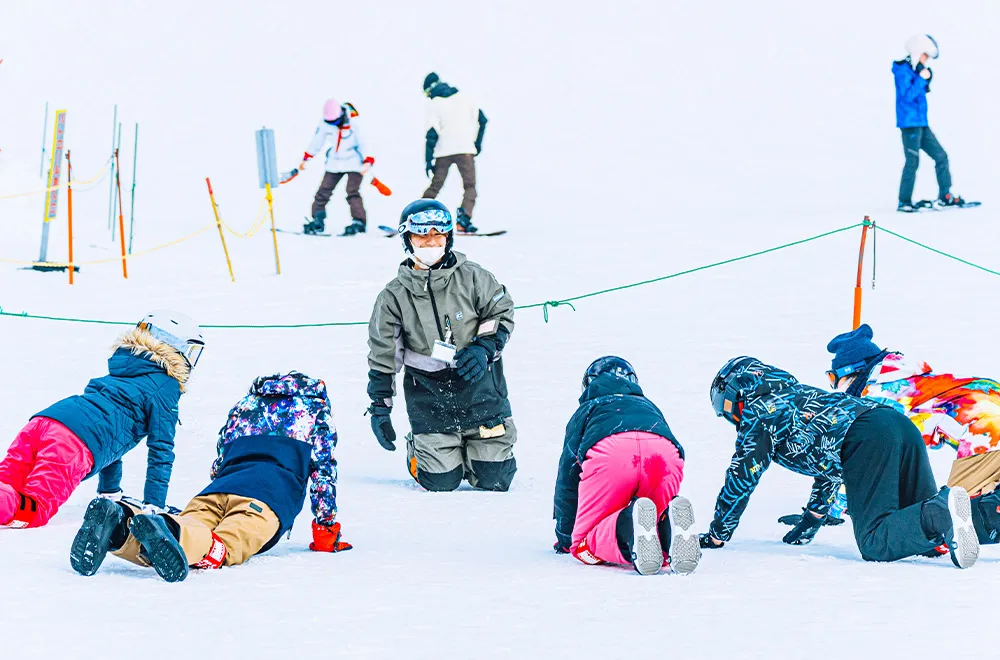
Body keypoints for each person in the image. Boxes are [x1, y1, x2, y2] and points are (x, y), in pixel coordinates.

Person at [70, 371, 350, 583]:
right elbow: (323, 472)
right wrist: (325, 529)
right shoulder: (313, 411)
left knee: (189, 527)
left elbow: (221, 456)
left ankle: (121, 527)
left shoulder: (247, 404)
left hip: (216, 491)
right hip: (267, 499)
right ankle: (169, 532)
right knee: (221, 546)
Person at [701, 356, 979, 568]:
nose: (735, 421)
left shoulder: (759, 413)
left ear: (737, 394)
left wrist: (717, 534)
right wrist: (812, 519)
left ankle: (944, 509)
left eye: (729, 412)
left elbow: (742, 475)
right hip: (895, 423)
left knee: (875, 541)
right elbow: (825, 456)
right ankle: (983, 514)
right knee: (924, 531)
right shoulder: (798, 394)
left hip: (869, 437)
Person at [0, 311, 202, 529]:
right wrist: (154, 506)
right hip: (72, 442)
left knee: (8, 482)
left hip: (44, 422)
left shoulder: (123, 370)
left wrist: (110, 491)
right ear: (177, 348)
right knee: (34, 510)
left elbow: (112, 434)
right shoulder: (166, 384)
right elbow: (161, 449)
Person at [366, 199, 516, 492]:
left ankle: (477, 455)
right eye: (423, 235)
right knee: (440, 482)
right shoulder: (393, 296)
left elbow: (500, 312)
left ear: (448, 237)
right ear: (407, 239)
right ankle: (423, 449)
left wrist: (484, 348)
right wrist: (379, 408)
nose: (431, 242)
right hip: (429, 395)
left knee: (494, 478)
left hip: (480, 385)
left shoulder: (473, 276)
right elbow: (383, 355)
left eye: (438, 235)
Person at [825, 324, 1000, 545]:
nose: (834, 388)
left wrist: (832, 508)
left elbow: (868, 458)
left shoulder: (881, 394)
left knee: (950, 515)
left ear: (852, 373)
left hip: (987, 431)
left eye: (833, 379)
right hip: (989, 423)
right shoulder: (906, 379)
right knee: (981, 499)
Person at [552, 357, 700, 576]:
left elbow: (568, 475)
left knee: (583, 545)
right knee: (651, 518)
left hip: (611, 454)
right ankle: (668, 527)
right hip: (663, 454)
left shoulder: (588, 409)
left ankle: (628, 525)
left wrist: (565, 538)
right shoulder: (647, 405)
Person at [893, 34, 966, 212]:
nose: (926, 60)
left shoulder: (917, 70)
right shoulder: (902, 70)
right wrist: (922, 79)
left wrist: (923, 78)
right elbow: (907, 96)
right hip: (909, 124)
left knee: (941, 156)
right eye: (925, 55)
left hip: (921, 123)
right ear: (918, 52)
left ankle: (945, 195)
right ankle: (904, 202)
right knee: (912, 162)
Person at [421, 73, 487, 234]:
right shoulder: (465, 98)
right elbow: (483, 120)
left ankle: (417, 215)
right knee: (470, 186)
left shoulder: (436, 103)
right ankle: (463, 220)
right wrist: (477, 144)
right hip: (465, 150)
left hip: (443, 151)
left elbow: (431, 134)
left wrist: (428, 160)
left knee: (435, 185)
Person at [301, 99, 375, 236]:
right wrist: (307, 156)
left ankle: (359, 222)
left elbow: (364, 142)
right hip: (334, 162)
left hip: (354, 162)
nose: (333, 125)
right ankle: (317, 220)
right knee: (323, 192)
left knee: (352, 192)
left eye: (335, 122)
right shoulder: (325, 124)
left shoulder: (354, 122)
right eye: (330, 123)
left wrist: (368, 160)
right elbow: (317, 141)